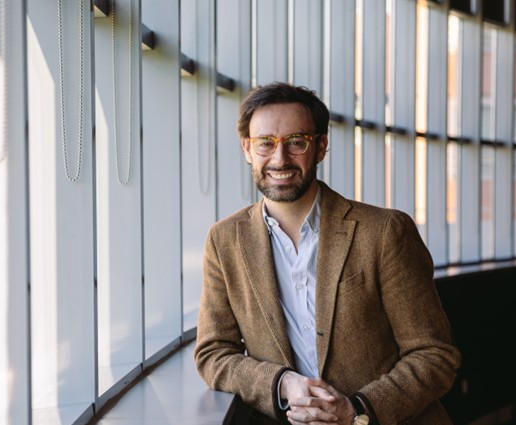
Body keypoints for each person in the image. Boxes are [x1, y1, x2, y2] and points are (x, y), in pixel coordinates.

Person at [194, 82, 460, 425]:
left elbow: (435, 354)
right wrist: (282, 384)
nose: (280, 158)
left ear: (320, 146)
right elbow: (213, 353)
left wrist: (357, 410)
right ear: (247, 148)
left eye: (296, 142)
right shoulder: (224, 241)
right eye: (266, 143)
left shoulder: (385, 232)